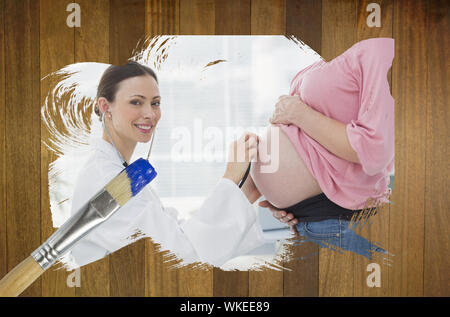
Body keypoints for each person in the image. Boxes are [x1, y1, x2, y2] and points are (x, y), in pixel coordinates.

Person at [68, 61, 264, 268]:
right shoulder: (105, 178)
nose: (150, 114)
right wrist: (230, 177)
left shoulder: (119, 171)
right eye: (136, 102)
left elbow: (174, 232)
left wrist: (246, 192)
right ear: (105, 107)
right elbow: (179, 255)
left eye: (155, 103)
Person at [247, 38, 394, 259]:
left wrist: (299, 114)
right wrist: (284, 201)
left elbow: (375, 149)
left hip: (338, 223)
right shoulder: (339, 47)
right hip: (311, 221)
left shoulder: (378, 47)